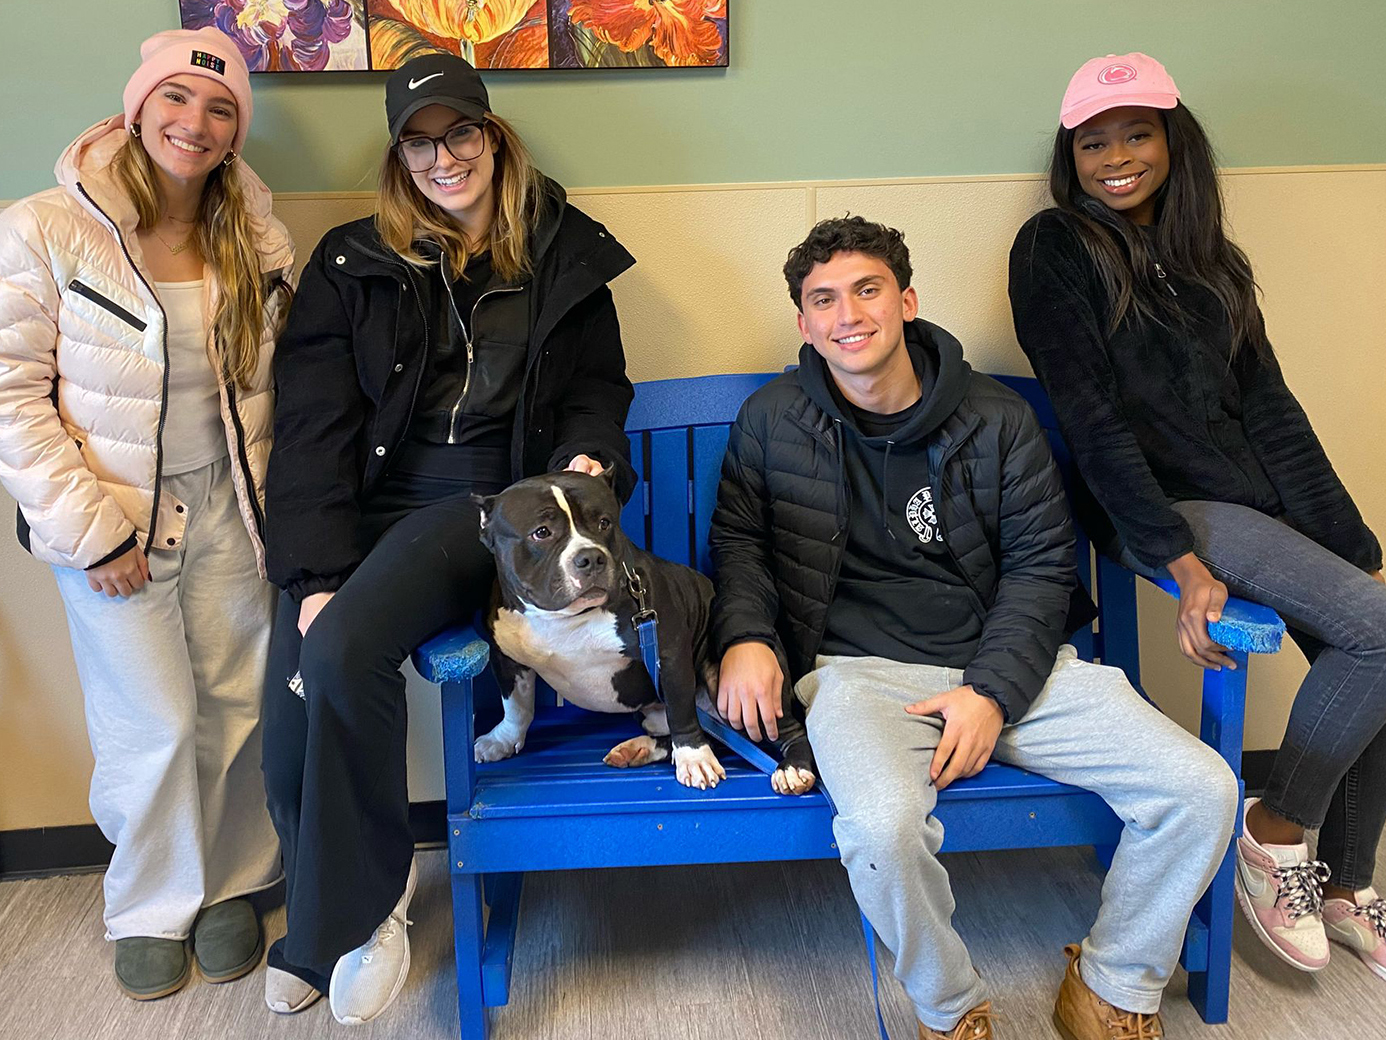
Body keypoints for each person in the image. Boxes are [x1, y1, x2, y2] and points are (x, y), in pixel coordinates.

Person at [710, 216, 1238, 1039]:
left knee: (1203, 789)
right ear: (806, 326)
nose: (848, 314)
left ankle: (1111, 986)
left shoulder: (995, 418)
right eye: (824, 301)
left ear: (908, 300)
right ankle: (950, 1009)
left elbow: (1040, 567)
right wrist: (745, 635)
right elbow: (739, 540)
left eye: (867, 289)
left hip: (1016, 666)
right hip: (860, 676)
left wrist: (991, 692)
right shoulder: (773, 419)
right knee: (881, 830)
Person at [260, 54, 636, 1024]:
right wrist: (312, 573)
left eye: (460, 133)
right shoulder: (353, 262)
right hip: (364, 514)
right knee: (300, 681)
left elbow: (600, 388)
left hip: (486, 515)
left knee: (341, 645)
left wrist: (590, 454)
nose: (443, 157)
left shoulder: (562, 253)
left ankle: (362, 913)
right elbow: (311, 433)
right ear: (399, 156)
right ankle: (333, 905)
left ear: (493, 135)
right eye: (419, 142)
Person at [1010, 52, 1386, 984]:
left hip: (1249, 499)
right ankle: (1274, 832)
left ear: (1174, 140)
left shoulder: (1211, 260)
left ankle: (1345, 888)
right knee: (1383, 637)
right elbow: (1090, 422)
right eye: (1093, 143)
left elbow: (1276, 419)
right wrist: (1177, 561)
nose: (1117, 158)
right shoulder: (1056, 247)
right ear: (1072, 158)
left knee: (1379, 630)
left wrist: (1358, 552)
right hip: (1159, 506)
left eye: (1136, 134)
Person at [0, 29, 292, 1000]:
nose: (195, 123)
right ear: (137, 107)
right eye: (175, 100)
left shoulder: (252, 233)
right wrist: (92, 530)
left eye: (219, 109)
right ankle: (152, 901)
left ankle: (235, 884)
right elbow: (13, 397)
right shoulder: (45, 227)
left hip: (232, 508)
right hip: (115, 517)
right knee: (153, 719)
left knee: (238, 704)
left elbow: (276, 384)